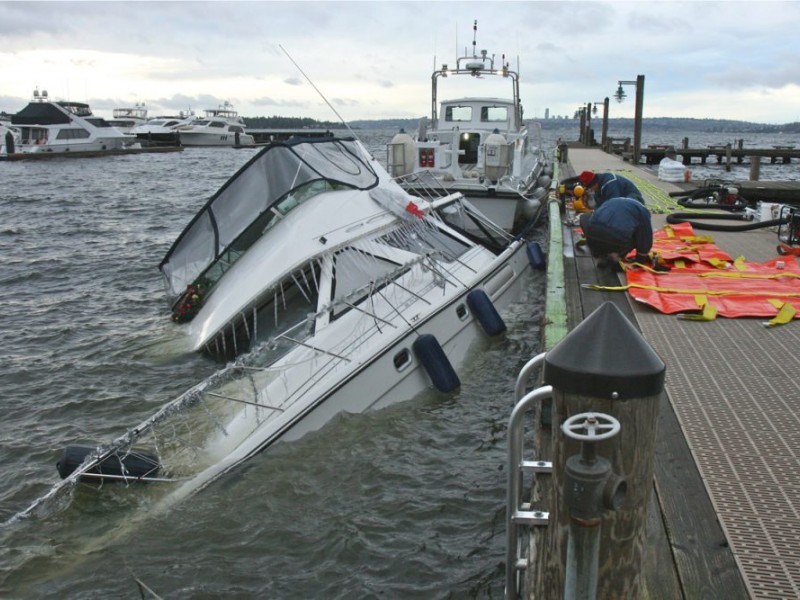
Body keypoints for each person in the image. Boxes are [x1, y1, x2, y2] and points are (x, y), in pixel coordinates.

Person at [578, 197, 656, 269]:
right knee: (639, 233)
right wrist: (640, 260)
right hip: (616, 240)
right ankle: (617, 256)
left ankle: (600, 254)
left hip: (592, 236)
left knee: (585, 217)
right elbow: (645, 239)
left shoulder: (612, 201)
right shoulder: (643, 211)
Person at [578, 170, 645, 206]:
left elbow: (613, 204)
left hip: (634, 200)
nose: (591, 190)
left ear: (595, 183)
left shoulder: (610, 184)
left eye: (590, 188)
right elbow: (599, 203)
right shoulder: (599, 184)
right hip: (620, 198)